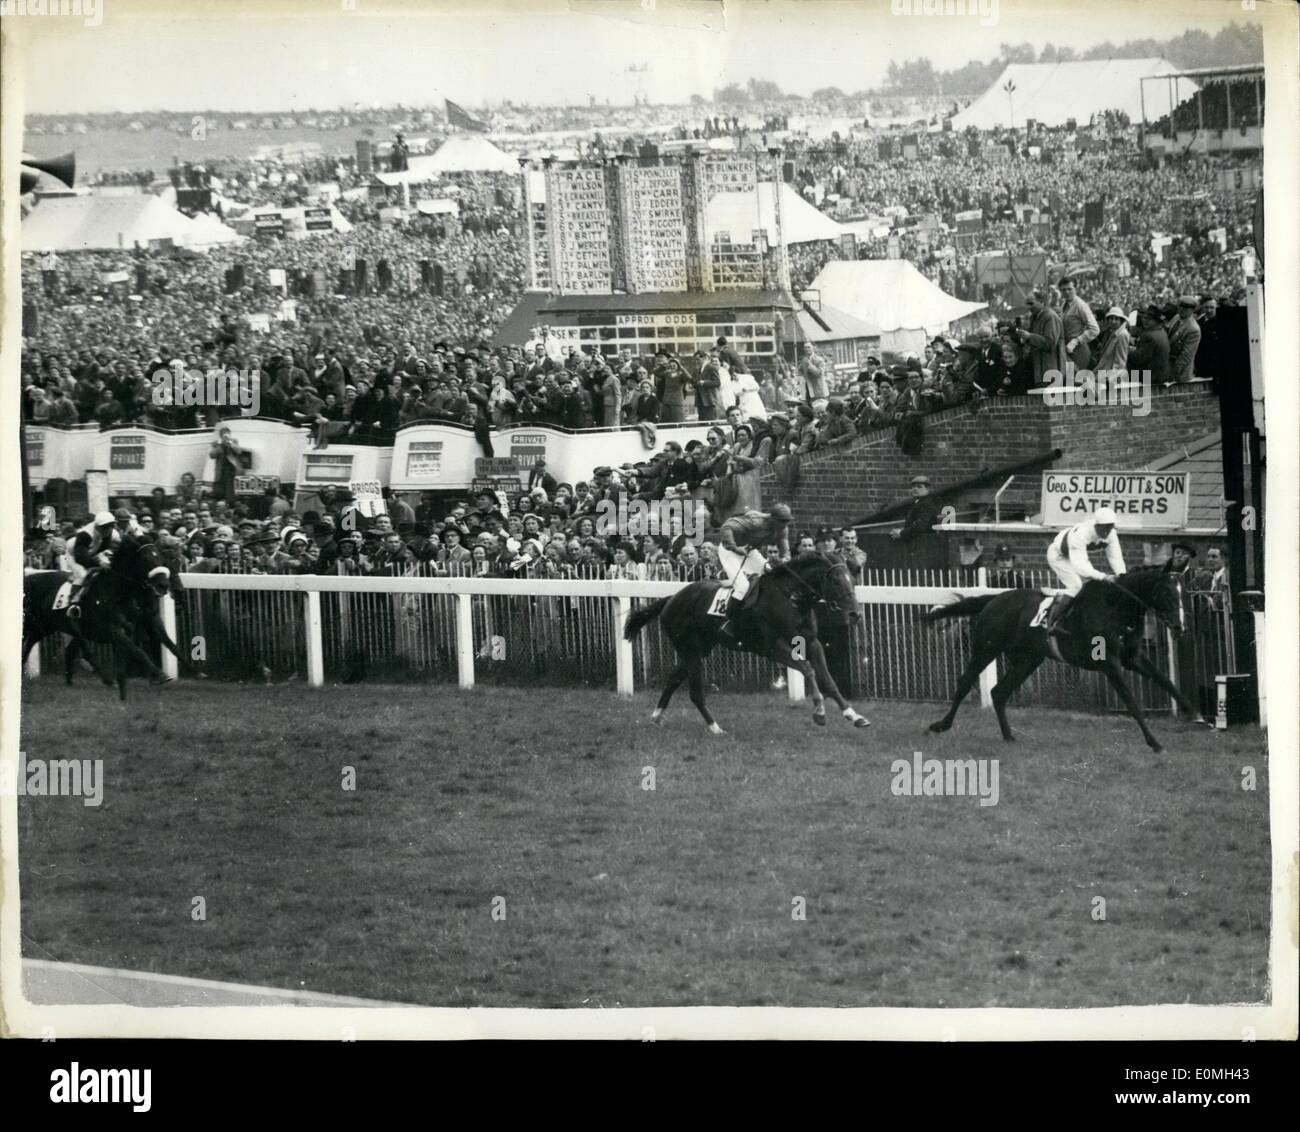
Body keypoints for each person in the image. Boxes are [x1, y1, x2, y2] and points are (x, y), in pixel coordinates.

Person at [1042, 506, 1126, 641]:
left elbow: (1116, 558)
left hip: (1076, 557)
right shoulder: (1081, 534)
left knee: (1094, 586)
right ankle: (1055, 622)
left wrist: (1122, 576)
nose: (1106, 531)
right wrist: (1104, 576)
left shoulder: (1112, 534)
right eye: (1103, 527)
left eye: (1110, 526)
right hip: (1059, 556)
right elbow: (1079, 565)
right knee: (1076, 585)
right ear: (1096, 525)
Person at [714, 503, 793, 645]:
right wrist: (735, 548)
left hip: (749, 550)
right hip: (730, 550)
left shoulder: (782, 528)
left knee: (768, 571)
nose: (785, 525)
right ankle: (728, 622)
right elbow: (726, 527)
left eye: (787, 521)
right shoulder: (755, 522)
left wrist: (785, 557)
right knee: (742, 586)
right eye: (782, 521)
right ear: (773, 519)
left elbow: (783, 542)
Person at [890, 475, 943, 541]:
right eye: (913, 487)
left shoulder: (926, 504)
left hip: (924, 542)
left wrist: (901, 533)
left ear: (927, 489)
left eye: (919, 487)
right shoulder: (918, 503)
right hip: (919, 542)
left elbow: (920, 526)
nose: (915, 489)